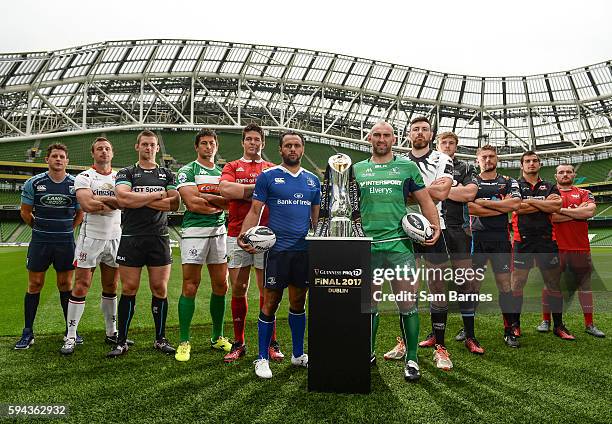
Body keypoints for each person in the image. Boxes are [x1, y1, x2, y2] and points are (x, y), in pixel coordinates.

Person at [354, 121, 440, 381]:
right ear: (370, 138)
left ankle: (412, 358)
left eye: (386, 135)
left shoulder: (407, 166)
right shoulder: (357, 169)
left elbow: (425, 200)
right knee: (369, 304)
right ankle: (367, 353)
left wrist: (434, 226)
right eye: (377, 135)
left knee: (407, 303)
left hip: (399, 245)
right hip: (367, 246)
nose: (381, 139)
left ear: (394, 139)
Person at [238, 131, 320, 379]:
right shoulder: (268, 177)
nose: (292, 149)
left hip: (303, 251)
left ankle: (297, 354)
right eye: (288, 146)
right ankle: (262, 358)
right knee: (270, 303)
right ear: (280, 150)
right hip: (277, 252)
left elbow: (316, 220)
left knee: (298, 303)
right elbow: (254, 211)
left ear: (302, 149)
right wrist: (244, 235)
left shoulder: (312, 180)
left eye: (296, 145)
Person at [107, 130, 180, 357]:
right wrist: (158, 196)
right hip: (131, 237)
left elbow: (174, 204)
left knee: (160, 288)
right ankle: (121, 342)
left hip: (159, 237)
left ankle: (160, 339)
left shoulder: (167, 173)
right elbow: (122, 199)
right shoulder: (127, 172)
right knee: (129, 289)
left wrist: (138, 199)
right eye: (145, 144)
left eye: (152, 145)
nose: (148, 148)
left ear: (157, 148)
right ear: (137, 146)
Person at [61, 137, 132, 355]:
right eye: (99, 149)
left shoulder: (120, 178)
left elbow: (125, 203)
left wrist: (105, 204)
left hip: (115, 238)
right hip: (90, 238)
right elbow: (87, 204)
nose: (103, 152)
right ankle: (70, 335)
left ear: (113, 153)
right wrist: (114, 203)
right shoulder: (84, 177)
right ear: (93, 153)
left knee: (111, 286)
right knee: (82, 284)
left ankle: (112, 332)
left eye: (107, 148)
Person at [219, 124, 283, 363]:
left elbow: (278, 193)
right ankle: (239, 343)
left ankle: (271, 343)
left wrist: (242, 191)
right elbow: (225, 189)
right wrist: (259, 189)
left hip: (267, 237)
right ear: (243, 142)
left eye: (257, 139)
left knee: (267, 290)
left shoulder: (272, 168)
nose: (253, 143)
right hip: (237, 234)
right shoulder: (232, 166)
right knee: (238, 288)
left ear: (263, 143)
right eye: (249, 139)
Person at [15, 143, 83, 350]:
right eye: (55, 156)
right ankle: (28, 332)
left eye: (62, 156)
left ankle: (70, 331)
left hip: (65, 242)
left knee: (65, 285)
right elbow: (25, 212)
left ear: (67, 160)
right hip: (40, 242)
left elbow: (80, 214)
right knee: (34, 284)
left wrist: (66, 229)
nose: (58, 159)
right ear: (47, 160)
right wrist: (40, 229)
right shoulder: (34, 183)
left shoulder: (74, 184)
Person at [174, 129, 231, 362]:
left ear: (217, 147)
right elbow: (192, 202)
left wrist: (207, 199)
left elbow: (231, 202)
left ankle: (217, 337)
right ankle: (184, 341)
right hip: (194, 233)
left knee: (222, 286)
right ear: (197, 147)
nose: (208, 147)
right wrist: (218, 204)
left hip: (219, 233)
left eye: (212, 143)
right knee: (190, 286)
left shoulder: (222, 174)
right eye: (204, 143)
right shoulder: (188, 170)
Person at [403, 117, 455, 371]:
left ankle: (440, 346)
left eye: (424, 129)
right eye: (415, 129)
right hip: (404, 232)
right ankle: (405, 341)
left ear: (431, 134)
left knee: (437, 286)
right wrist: (427, 190)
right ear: (409, 134)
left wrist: (411, 192)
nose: (420, 133)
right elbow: (396, 196)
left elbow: (443, 191)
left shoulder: (443, 159)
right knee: (407, 288)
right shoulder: (399, 162)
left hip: (436, 228)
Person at [511, 151, 574, 345]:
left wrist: (528, 201)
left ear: (540, 164)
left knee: (554, 284)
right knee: (517, 285)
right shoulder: (514, 185)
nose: (531, 164)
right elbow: (516, 207)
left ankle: (558, 325)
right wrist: (541, 203)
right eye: (527, 161)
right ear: (522, 165)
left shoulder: (550, 185)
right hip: (523, 241)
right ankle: (515, 325)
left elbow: (556, 205)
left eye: (534, 161)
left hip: (547, 240)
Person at [467, 145, 521, 347]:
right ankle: (469, 331)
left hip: (500, 240)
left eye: (491, 156)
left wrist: (483, 204)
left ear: (497, 159)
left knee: (505, 286)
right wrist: (500, 207)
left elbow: (515, 205)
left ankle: (509, 330)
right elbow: (469, 207)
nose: (488, 160)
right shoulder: (472, 182)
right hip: (477, 239)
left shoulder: (508, 181)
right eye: (484, 157)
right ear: (477, 160)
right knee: (473, 286)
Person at [544, 164, 604, 337]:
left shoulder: (585, 193)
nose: (565, 174)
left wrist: (561, 210)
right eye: (561, 172)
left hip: (580, 247)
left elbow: (589, 212)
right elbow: (551, 216)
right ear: (556, 176)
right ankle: (546, 320)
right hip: (555, 246)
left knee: (585, 286)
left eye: (568, 171)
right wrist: (577, 211)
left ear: (574, 174)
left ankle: (589, 324)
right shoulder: (551, 194)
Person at [437, 132, 483, 354]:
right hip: (433, 229)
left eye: (451, 143)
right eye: (443, 142)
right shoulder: (429, 165)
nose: (447, 145)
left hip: (459, 230)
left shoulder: (465, 167)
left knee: (464, 283)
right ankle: (436, 335)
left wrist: (440, 191)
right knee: (436, 284)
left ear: (456, 146)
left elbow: (470, 194)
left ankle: (470, 335)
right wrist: (453, 191)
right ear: (437, 145)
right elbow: (418, 195)